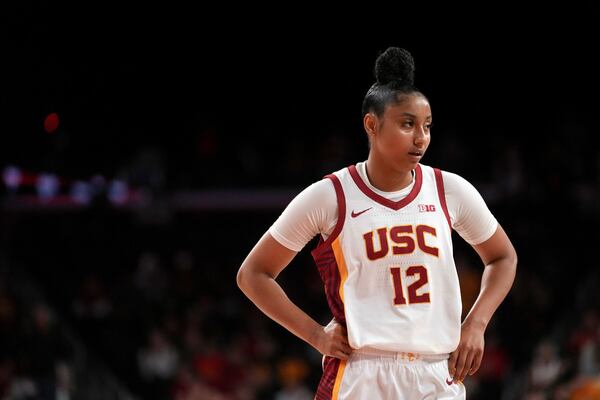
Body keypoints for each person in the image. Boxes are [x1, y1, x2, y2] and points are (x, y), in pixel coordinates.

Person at [237, 47, 517, 399]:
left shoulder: (450, 190)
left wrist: (476, 324)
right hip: (361, 371)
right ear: (372, 124)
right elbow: (253, 274)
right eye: (407, 124)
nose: (421, 138)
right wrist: (315, 335)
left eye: (427, 126)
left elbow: (503, 257)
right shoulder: (331, 195)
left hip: (436, 371)